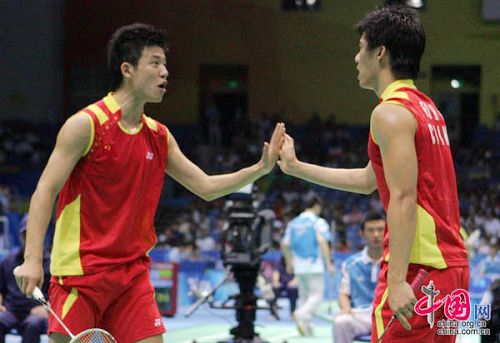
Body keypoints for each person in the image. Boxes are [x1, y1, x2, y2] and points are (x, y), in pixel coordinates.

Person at [14, 23, 284, 343]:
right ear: (127, 69)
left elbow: (206, 186)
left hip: (132, 277)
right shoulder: (87, 125)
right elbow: (45, 190)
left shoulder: (158, 136)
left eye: (165, 64)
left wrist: (259, 168)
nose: (165, 72)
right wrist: (32, 260)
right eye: (155, 63)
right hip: (80, 278)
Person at [278, 5, 469, 342]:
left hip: (417, 268)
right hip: (450, 268)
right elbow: (370, 180)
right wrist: (295, 167)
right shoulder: (426, 108)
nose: (355, 58)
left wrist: (396, 281)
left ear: (380, 53)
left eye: (360, 47)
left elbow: (404, 197)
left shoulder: (389, 114)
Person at [281, 193, 334, 336]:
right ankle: (301, 314)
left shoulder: (293, 223)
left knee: (304, 296)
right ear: (317, 206)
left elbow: (284, 244)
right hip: (314, 264)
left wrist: (289, 262)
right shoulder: (318, 222)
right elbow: (322, 241)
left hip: (299, 265)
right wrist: (328, 263)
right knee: (316, 296)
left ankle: (306, 327)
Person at [333, 213, 384, 343]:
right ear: (362, 233)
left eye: (380, 229)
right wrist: (346, 309)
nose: (376, 235)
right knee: (341, 322)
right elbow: (343, 294)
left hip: (386, 315)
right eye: (371, 230)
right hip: (360, 315)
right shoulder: (351, 264)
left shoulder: (395, 262)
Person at [0, 215, 50, 343]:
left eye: (33, 235)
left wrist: (46, 307)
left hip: (36, 312)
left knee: (32, 324)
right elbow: (1, 289)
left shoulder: (51, 263)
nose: (29, 239)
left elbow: (57, 294)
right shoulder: (8, 260)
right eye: (25, 235)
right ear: (20, 236)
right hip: (11, 311)